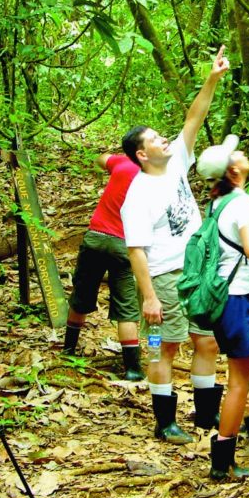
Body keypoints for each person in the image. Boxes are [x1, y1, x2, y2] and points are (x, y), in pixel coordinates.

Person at [120, 46, 230, 444]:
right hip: (166, 275)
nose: (163, 139)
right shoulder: (138, 195)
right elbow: (136, 251)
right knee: (164, 347)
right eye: (154, 139)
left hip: (198, 271)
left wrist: (212, 77)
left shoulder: (178, 162)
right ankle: (165, 422)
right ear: (141, 154)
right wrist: (149, 298)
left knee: (207, 340)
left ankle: (206, 413)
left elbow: (194, 117)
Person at [194, 135, 249, 480]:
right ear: (233, 170)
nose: (244, 153)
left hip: (230, 300)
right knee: (238, 382)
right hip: (238, 299)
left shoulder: (220, 201)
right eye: (237, 153)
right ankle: (222, 462)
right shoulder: (242, 203)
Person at [63, 152, 144, 381]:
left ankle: (68, 350)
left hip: (96, 237)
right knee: (126, 308)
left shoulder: (122, 162)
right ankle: (133, 368)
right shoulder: (153, 176)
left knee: (82, 295)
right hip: (125, 244)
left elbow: (100, 158)